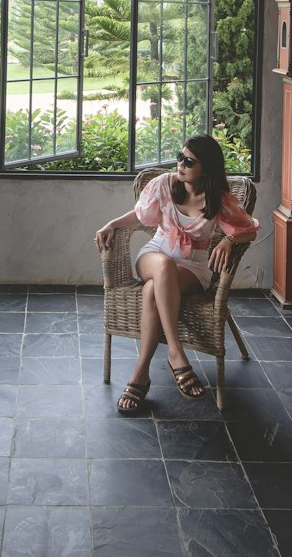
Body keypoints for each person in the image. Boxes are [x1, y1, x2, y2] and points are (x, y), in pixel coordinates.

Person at [95, 133, 259, 415]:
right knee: (163, 266)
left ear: (206, 168)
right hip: (155, 253)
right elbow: (140, 215)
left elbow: (250, 227)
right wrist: (112, 222)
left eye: (189, 161)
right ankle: (176, 352)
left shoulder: (219, 200)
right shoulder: (165, 184)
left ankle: (140, 375)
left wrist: (228, 240)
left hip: (193, 266)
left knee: (151, 291)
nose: (180, 164)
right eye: (180, 157)